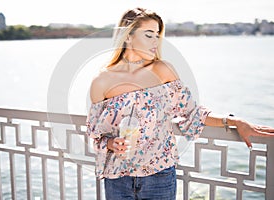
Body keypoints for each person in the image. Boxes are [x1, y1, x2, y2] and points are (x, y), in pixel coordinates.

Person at [86, 7, 274, 200]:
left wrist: (234, 121)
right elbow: (96, 134)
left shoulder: (163, 70)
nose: (155, 42)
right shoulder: (101, 81)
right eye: (149, 35)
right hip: (117, 179)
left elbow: (192, 114)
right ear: (128, 36)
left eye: (158, 35)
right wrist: (110, 143)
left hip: (159, 177)